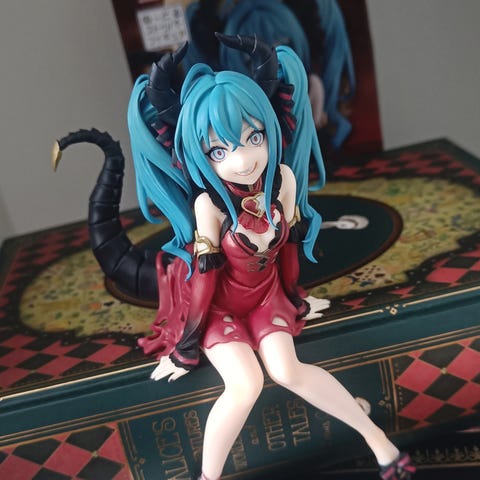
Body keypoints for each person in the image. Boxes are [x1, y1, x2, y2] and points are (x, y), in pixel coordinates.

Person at [128, 34, 414, 480]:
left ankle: (379, 442)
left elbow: (289, 252)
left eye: (254, 137)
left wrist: (295, 297)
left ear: (271, 131)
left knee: (288, 370)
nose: (243, 160)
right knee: (246, 385)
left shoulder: (282, 181)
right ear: (199, 156)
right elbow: (204, 280)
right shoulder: (209, 206)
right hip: (218, 309)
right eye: (219, 151)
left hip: (266, 298)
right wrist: (186, 345)